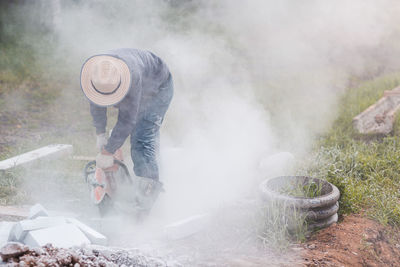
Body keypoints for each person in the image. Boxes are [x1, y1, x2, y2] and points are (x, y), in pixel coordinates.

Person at [80, 48, 173, 213]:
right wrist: (100, 133)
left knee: (141, 139)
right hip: (140, 84)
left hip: (159, 88)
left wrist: (108, 151)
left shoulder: (131, 75)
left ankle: (146, 200)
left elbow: (127, 120)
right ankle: (148, 177)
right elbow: (97, 105)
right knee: (142, 140)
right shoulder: (98, 75)